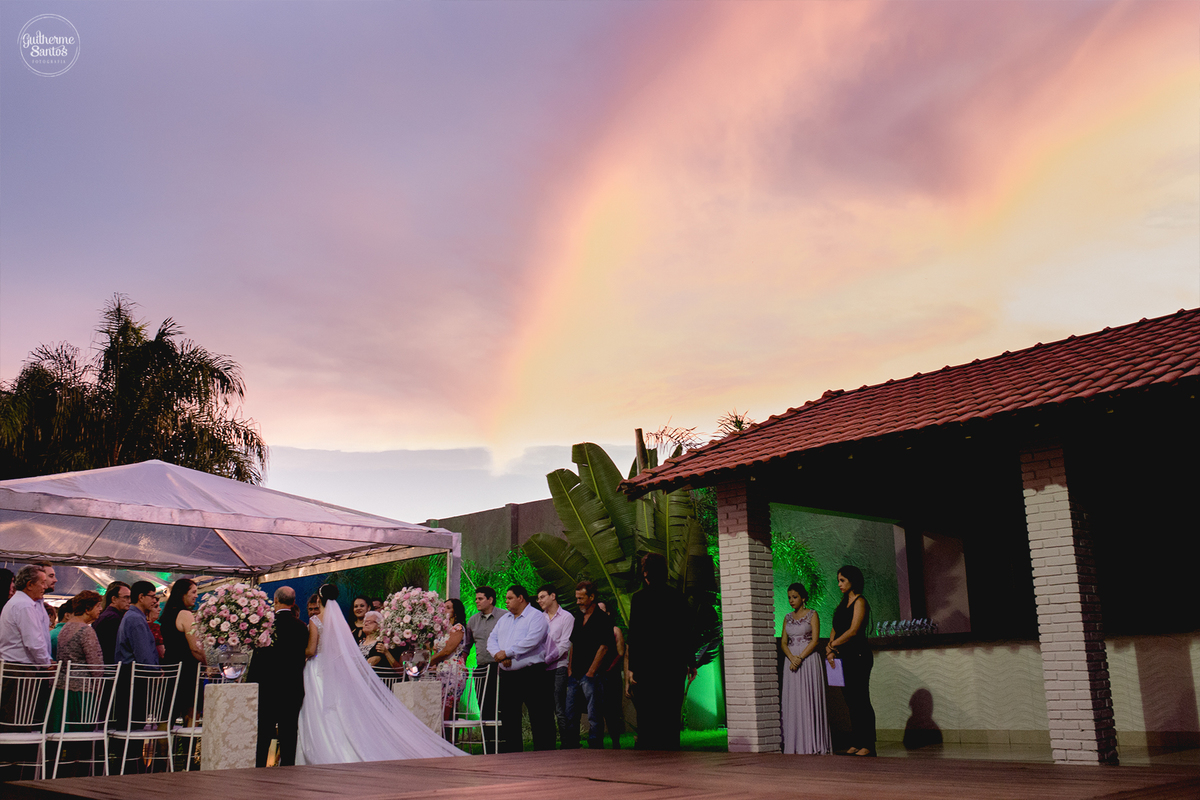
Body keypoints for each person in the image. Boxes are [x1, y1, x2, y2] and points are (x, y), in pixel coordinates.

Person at [295, 583, 465, 763]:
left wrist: (298, 653)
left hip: (317, 667)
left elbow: (311, 650)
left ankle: (321, 749)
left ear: (319, 599)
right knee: (334, 707)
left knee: (317, 706)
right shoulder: (341, 622)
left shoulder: (315, 620)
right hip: (334, 668)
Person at [626, 553, 694, 750]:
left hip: (648, 666)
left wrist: (633, 668)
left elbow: (636, 636)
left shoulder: (639, 599)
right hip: (673, 665)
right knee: (670, 712)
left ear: (646, 573)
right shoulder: (677, 597)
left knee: (648, 713)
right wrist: (691, 662)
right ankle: (671, 750)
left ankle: (650, 752)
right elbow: (685, 632)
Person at [487, 584, 554, 752]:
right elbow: (491, 639)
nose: (506, 602)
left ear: (521, 598)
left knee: (539, 714)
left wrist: (509, 653)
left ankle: (544, 753)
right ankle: (513, 753)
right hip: (508, 675)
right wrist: (500, 654)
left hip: (531, 673)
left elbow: (532, 641)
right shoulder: (504, 619)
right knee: (509, 716)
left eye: (510, 598)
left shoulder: (536, 617)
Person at [248, 586, 308, 767]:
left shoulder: (265, 625)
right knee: (289, 732)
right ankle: (287, 768)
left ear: (275, 601)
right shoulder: (301, 627)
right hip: (292, 686)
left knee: (264, 731)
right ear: (294, 602)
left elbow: (258, 658)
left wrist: (251, 682)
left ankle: (259, 767)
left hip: (267, 686)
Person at [826, 565, 875, 757]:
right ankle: (856, 741)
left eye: (842, 580)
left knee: (861, 699)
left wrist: (832, 645)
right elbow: (835, 627)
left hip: (859, 656)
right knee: (850, 701)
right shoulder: (842, 603)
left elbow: (854, 630)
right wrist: (831, 649)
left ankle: (868, 743)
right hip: (842, 656)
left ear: (852, 581)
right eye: (838, 580)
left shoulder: (860, 601)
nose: (839, 584)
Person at [781, 582, 830, 754]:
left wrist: (800, 658)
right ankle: (795, 743)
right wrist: (791, 658)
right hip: (791, 661)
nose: (791, 601)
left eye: (794, 597)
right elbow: (783, 642)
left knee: (807, 698)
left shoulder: (812, 615)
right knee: (794, 699)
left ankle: (812, 743)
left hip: (808, 660)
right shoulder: (787, 617)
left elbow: (815, 640)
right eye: (789, 598)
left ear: (803, 598)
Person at [564, 581, 614, 749]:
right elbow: (573, 644)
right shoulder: (578, 617)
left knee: (594, 713)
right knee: (571, 712)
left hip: (592, 674)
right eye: (576, 598)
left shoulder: (602, 619)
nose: (578, 602)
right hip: (575, 673)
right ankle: (572, 743)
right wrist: (570, 669)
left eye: (581, 598)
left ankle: (595, 744)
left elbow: (604, 647)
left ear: (591, 597)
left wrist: (591, 671)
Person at [161, 579, 207, 724]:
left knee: (167, 717)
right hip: (186, 671)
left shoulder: (167, 614)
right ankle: (188, 747)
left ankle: (163, 747)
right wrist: (207, 663)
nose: (196, 596)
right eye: (193, 592)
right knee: (191, 715)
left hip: (170, 667)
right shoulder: (185, 614)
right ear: (183, 594)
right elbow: (194, 647)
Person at [537, 585, 574, 747]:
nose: (539, 601)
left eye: (542, 597)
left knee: (560, 707)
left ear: (553, 596)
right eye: (538, 598)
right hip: (541, 668)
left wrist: (547, 659)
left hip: (559, 666)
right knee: (545, 708)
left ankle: (567, 742)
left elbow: (565, 644)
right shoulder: (539, 618)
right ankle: (548, 743)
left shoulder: (567, 617)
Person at [0, 564, 52, 664]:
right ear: (30, 585)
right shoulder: (24, 605)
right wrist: (45, 662)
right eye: (42, 583)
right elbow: (33, 642)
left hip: (16, 664)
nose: (45, 587)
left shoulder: (20, 602)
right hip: (21, 667)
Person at [429, 599, 468, 718]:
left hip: (453, 671)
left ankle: (445, 735)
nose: (444, 609)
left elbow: (447, 650)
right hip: (440, 671)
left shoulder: (458, 628)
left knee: (446, 708)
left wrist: (428, 662)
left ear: (455, 612)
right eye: (443, 607)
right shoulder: (441, 630)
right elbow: (435, 649)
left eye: (448, 607)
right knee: (436, 707)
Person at [466, 586, 500, 721]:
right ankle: (488, 740)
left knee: (501, 705)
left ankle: (502, 740)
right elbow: (466, 646)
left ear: (490, 599)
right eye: (476, 599)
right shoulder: (473, 620)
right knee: (484, 705)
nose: (477, 601)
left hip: (500, 667)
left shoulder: (504, 617)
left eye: (480, 599)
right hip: (481, 667)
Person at [596, 601, 626, 749]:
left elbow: (620, 653)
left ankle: (615, 742)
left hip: (611, 675)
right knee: (596, 710)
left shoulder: (615, 630)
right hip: (596, 674)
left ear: (608, 613)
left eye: (601, 610)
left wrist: (609, 668)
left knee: (612, 710)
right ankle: (597, 742)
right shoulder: (592, 630)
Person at [115, 581, 159, 666]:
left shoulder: (132, 616)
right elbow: (143, 653)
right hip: (135, 674)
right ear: (141, 597)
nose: (154, 601)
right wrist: (154, 671)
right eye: (152, 597)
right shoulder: (136, 619)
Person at [92, 581, 131, 664]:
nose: (129, 601)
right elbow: (113, 647)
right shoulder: (113, 618)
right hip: (111, 667)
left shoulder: (105, 616)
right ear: (113, 599)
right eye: (126, 597)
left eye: (130, 597)